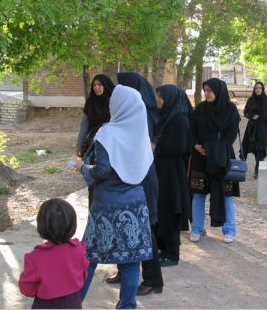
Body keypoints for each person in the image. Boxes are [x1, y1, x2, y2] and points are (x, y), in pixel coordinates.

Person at [74, 85, 154, 309]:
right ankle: (127, 306)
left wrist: (82, 168)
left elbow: (102, 171)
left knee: (88, 257)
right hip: (136, 205)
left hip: (107, 206)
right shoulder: (140, 133)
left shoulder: (107, 132)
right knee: (130, 262)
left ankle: (73, 303)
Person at [109, 72, 163, 296]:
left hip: (141, 179)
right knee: (124, 227)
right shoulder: (132, 112)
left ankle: (153, 279)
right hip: (132, 176)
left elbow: (139, 148)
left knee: (145, 230)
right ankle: (125, 270)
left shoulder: (144, 115)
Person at [189, 78, 240, 244]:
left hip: (221, 158)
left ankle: (229, 230)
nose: (206, 93)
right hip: (201, 158)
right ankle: (197, 229)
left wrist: (214, 149)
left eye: (210, 90)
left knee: (226, 194)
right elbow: (192, 130)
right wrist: (197, 145)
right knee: (198, 193)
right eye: (205, 90)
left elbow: (231, 134)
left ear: (219, 91)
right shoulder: (200, 109)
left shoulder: (230, 110)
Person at [19, 198, 89, 309]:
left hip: (45, 305)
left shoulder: (34, 258)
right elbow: (83, 276)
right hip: (73, 303)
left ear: (41, 226)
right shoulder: (79, 250)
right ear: (73, 226)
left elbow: (27, 289)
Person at [153, 84, 192, 267]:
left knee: (170, 209)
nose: (158, 100)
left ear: (169, 99)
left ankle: (172, 253)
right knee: (161, 209)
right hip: (162, 170)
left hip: (172, 172)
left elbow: (181, 147)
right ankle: (163, 249)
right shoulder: (166, 117)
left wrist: (157, 148)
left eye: (161, 97)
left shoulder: (179, 120)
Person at [240, 81, 267, 179]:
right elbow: (245, 112)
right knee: (246, 147)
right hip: (251, 129)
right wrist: (252, 116)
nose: (258, 90)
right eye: (256, 88)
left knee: (260, 150)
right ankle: (241, 168)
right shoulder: (250, 100)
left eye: (260, 88)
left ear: (262, 89)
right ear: (254, 89)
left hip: (264, 130)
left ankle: (257, 171)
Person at [75, 74, 115, 158]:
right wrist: (79, 145)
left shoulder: (113, 101)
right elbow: (84, 125)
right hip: (92, 141)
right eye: (94, 85)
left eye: (100, 85)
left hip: (110, 140)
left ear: (105, 85)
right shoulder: (90, 102)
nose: (96, 87)